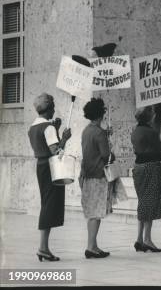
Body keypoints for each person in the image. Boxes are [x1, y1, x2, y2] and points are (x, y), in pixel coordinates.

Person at [28, 93, 71, 262]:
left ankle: (44, 247)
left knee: (46, 202)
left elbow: (45, 145)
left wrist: (57, 130)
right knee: (49, 204)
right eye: (53, 107)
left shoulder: (32, 127)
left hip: (41, 166)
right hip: (51, 166)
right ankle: (43, 248)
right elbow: (55, 151)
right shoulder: (49, 127)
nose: (54, 110)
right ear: (49, 109)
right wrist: (65, 139)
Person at [80, 97, 114, 259]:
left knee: (92, 212)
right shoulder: (99, 133)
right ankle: (91, 247)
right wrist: (109, 143)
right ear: (101, 114)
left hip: (87, 175)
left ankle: (93, 245)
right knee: (96, 213)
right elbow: (106, 155)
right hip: (98, 174)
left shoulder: (86, 130)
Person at [131, 106, 161, 253]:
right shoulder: (151, 132)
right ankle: (147, 239)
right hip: (151, 167)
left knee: (143, 202)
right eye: (152, 113)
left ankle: (140, 238)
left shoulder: (135, 131)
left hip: (138, 167)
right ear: (149, 117)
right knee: (150, 202)